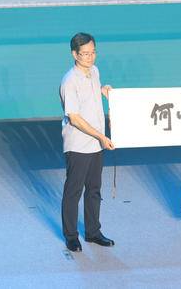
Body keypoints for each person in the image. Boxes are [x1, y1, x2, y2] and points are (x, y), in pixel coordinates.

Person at [59, 32, 115, 252]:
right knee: (73, 191)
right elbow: (74, 117)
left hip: (96, 144)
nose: (90, 57)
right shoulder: (69, 81)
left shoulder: (95, 71)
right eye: (85, 54)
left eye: (93, 53)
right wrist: (101, 136)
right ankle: (71, 236)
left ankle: (93, 232)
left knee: (94, 189)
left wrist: (103, 90)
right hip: (78, 144)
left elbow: (90, 98)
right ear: (75, 54)